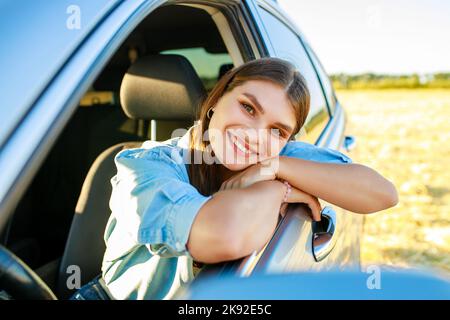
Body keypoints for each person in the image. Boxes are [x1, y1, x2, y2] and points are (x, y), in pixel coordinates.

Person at [98, 57, 398, 300]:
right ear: (215, 101)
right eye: (248, 107)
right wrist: (277, 191)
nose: (255, 136)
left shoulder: (279, 155)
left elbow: (383, 194)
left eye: (277, 130)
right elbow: (222, 233)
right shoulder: (146, 165)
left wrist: (273, 167)